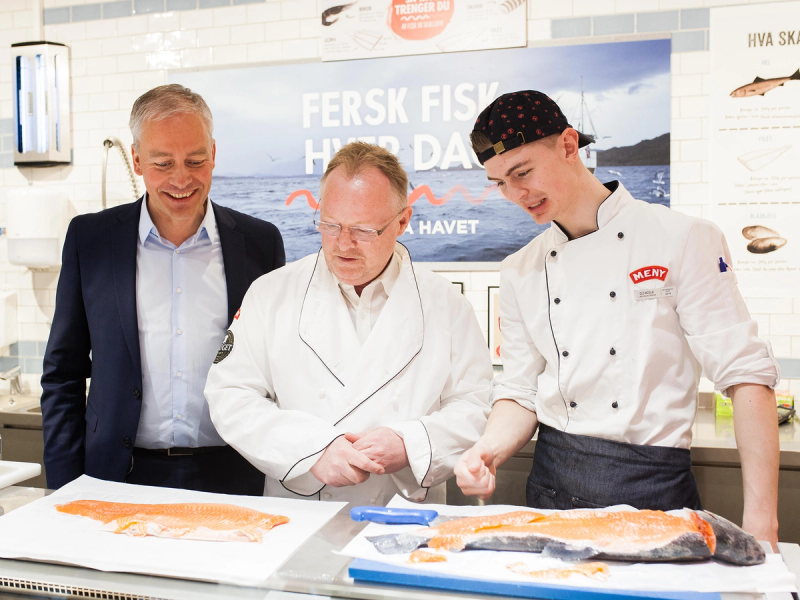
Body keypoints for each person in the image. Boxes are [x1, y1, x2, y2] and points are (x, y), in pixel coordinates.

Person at [454, 90, 780, 545]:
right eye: (499, 183)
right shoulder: (519, 270)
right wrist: (486, 450)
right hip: (549, 493)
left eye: (522, 172)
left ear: (569, 146)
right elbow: (521, 392)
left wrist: (762, 521)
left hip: (653, 491)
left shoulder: (683, 239)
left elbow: (747, 377)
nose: (515, 194)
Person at [204, 142, 492, 505]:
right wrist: (312, 449)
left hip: (407, 514)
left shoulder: (446, 304)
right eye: (330, 225)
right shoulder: (270, 294)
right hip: (300, 512)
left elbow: (477, 405)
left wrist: (410, 443)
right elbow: (230, 395)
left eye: (363, 230)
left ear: (403, 220)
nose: (343, 244)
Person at [41, 84, 285, 494]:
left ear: (213, 153)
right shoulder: (91, 240)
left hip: (236, 474)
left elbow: (281, 368)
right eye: (162, 163)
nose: (181, 179)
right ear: (136, 159)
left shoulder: (260, 242)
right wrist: (64, 485)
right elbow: (63, 374)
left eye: (195, 160)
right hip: (119, 476)